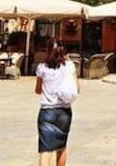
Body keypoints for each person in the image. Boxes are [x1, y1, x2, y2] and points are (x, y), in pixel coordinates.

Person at [35, 38, 79, 166]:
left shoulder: (42, 67)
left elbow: (38, 90)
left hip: (47, 111)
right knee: (61, 147)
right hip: (64, 111)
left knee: (45, 150)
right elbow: (77, 88)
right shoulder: (69, 66)